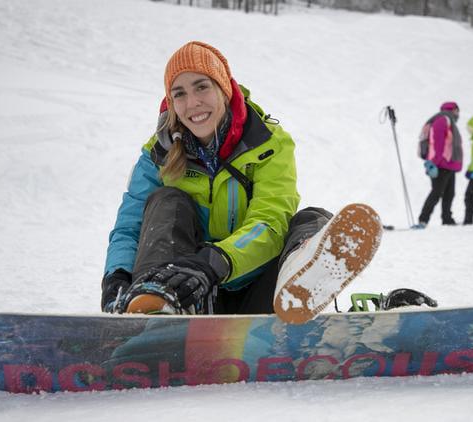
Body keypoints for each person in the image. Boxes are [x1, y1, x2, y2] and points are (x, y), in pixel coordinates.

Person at [100, 41, 341, 317]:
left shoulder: (268, 144)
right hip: (188, 297)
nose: (192, 103)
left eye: (201, 86)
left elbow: (269, 222)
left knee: (313, 222)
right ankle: (154, 304)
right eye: (179, 94)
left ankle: (298, 294)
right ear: (172, 103)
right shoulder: (159, 153)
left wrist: (214, 263)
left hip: (261, 296)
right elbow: (130, 226)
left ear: (224, 89)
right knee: (167, 201)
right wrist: (116, 275)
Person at [415, 102, 463, 228]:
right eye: (457, 111)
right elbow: (438, 142)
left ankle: (447, 218)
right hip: (440, 164)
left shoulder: (448, 121)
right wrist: (435, 162)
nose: (458, 114)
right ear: (452, 110)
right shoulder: (443, 120)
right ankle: (423, 220)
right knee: (436, 193)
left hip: (447, 164)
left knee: (449, 193)